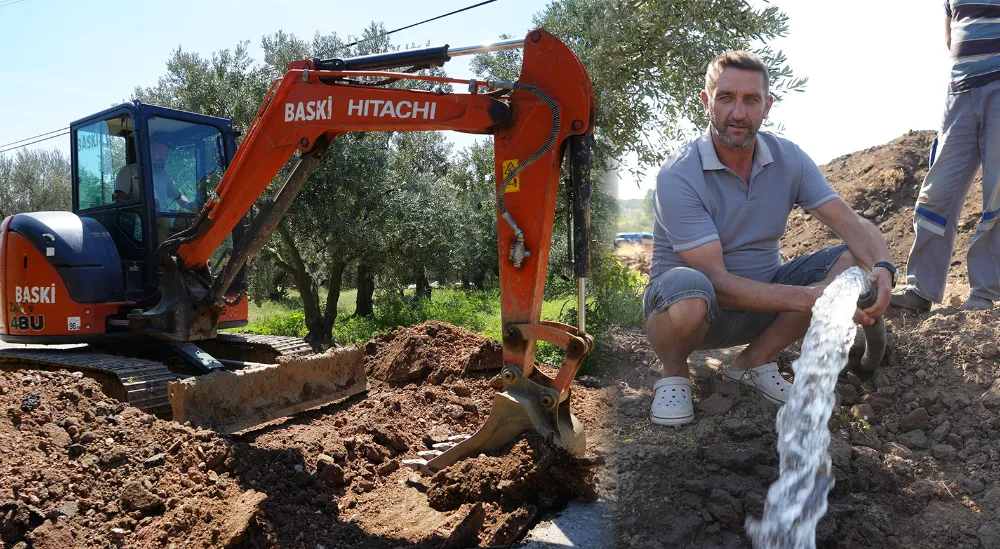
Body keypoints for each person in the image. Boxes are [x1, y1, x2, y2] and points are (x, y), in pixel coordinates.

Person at [644, 51, 894, 426]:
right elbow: (719, 283)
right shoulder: (679, 175)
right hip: (690, 312)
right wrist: (814, 299)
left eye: (751, 99)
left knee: (852, 265)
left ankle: (752, 363)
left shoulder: (788, 158)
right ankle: (674, 374)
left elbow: (850, 224)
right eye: (726, 97)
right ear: (706, 101)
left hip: (763, 304)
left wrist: (883, 268)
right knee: (691, 290)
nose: (738, 113)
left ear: (768, 106)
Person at [891, 2, 1000, 313]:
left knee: (996, 193)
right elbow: (950, 36)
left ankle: (983, 292)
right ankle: (920, 289)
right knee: (936, 192)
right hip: (959, 92)